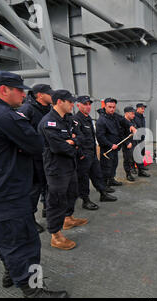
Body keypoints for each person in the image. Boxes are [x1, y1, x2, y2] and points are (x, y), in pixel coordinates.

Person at [0, 71, 67, 297]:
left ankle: (12, 272)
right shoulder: (3, 115)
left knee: (5, 236)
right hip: (6, 190)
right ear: (4, 89)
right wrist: (21, 146)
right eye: (19, 89)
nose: (24, 94)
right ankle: (33, 290)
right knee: (25, 241)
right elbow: (36, 143)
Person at [38, 90, 88, 251]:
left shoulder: (68, 119)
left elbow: (82, 137)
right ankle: (56, 235)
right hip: (56, 168)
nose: (73, 104)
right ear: (60, 102)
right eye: (70, 102)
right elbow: (58, 147)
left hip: (69, 165)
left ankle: (67, 219)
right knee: (56, 200)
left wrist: (71, 141)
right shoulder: (48, 122)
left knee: (72, 193)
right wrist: (72, 143)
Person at [19, 84, 55, 232]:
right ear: (39, 95)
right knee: (33, 189)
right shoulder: (27, 109)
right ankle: (29, 220)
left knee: (47, 184)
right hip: (32, 158)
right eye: (50, 94)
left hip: (45, 155)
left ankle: (47, 209)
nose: (53, 96)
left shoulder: (47, 109)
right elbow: (20, 133)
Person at [74, 96, 117, 210]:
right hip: (83, 155)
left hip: (92, 153)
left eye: (89, 104)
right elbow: (77, 140)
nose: (88, 107)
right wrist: (81, 154)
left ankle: (103, 193)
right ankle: (85, 200)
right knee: (83, 178)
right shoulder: (76, 120)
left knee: (97, 174)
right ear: (78, 105)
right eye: (85, 104)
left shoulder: (88, 118)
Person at [96, 98, 135, 186]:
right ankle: (105, 186)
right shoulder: (101, 121)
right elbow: (100, 137)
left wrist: (131, 126)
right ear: (105, 106)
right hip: (107, 149)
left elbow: (123, 120)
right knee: (106, 167)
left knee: (114, 165)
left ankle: (111, 179)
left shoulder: (114, 116)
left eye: (113, 107)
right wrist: (110, 144)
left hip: (115, 147)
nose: (112, 109)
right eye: (109, 107)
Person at [133, 103, 150, 173]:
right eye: (142, 108)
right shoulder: (134, 116)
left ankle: (141, 166)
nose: (143, 110)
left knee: (142, 152)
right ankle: (133, 168)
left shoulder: (141, 116)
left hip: (142, 137)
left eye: (144, 109)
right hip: (136, 138)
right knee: (135, 153)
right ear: (137, 108)